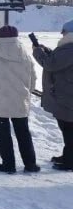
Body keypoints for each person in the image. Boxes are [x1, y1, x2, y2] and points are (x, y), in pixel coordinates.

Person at [0, 25, 40, 174]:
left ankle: (8, 165)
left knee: (3, 134)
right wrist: (25, 93)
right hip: (19, 101)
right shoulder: (26, 56)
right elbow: (33, 80)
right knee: (23, 133)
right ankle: (30, 164)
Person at [32, 19, 73, 171]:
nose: (61, 35)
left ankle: (70, 161)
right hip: (67, 94)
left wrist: (37, 52)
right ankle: (68, 155)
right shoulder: (68, 49)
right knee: (68, 128)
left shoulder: (69, 48)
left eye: (63, 32)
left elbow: (51, 64)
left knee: (69, 129)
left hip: (67, 97)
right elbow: (59, 61)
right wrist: (48, 52)